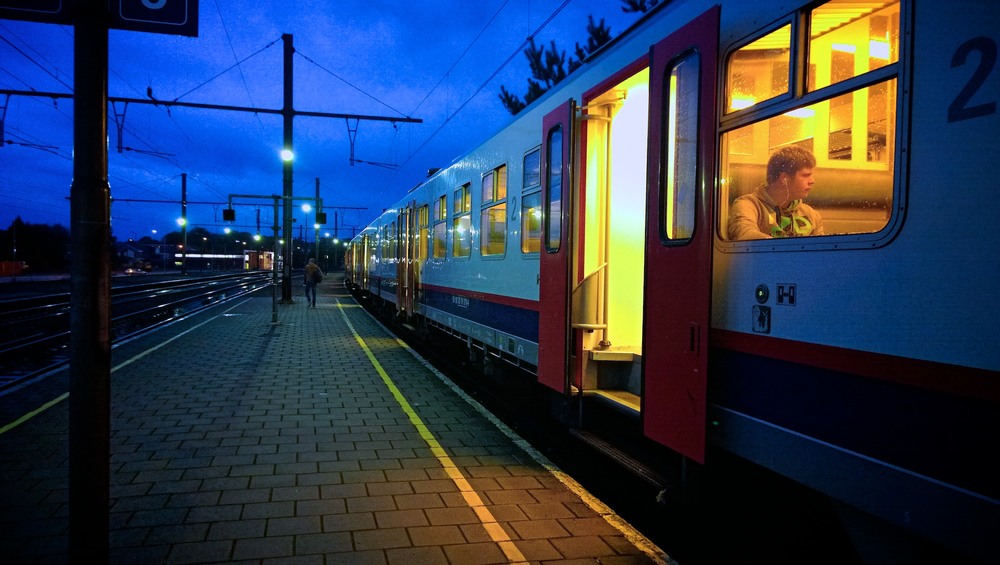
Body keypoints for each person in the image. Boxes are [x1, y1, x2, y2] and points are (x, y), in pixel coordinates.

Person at [728, 146, 824, 240]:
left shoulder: (812, 215)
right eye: (805, 175)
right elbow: (744, 234)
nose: (812, 181)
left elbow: (821, 251)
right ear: (784, 178)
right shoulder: (749, 205)